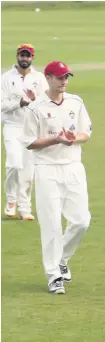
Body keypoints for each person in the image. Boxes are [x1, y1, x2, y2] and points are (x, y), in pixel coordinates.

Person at [23, 60, 92, 292]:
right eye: (60, 77)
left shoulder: (76, 102)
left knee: (82, 221)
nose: (64, 81)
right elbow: (30, 142)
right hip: (46, 169)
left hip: (73, 166)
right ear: (48, 78)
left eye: (66, 77)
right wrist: (56, 139)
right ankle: (54, 276)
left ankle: (62, 258)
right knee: (51, 223)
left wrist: (74, 138)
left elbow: (86, 132)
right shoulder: (36, 108)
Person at [1, 43, 48, 219]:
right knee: (14, 164)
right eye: (22, 55)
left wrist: (35, 101)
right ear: (17, 56)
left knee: (28, 170)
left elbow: (45, 104)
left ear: (32, 58)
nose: (24, 59)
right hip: (12, 126)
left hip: (31, 128)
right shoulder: (5, 78)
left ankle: (25, 208)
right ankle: (11, 201)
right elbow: (1, 105)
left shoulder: (39, 78)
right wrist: (20, 103)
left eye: (28, 56)